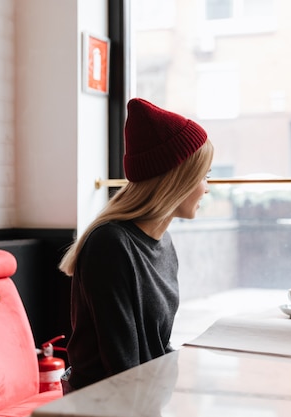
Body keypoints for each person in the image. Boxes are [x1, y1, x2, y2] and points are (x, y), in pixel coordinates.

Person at [58, 98, 214, 393]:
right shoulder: (110, 246)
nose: (208, 186)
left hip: (145, 395)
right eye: (204, 176)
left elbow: (158, 346)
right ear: (178, 180)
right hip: (104, 405)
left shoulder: (163, 242)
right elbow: (122, 367)